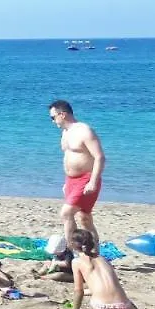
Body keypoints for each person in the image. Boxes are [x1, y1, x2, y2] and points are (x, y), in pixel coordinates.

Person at [49, 100, 105, 245]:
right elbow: (70, 157)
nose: (52, 121)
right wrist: (67, 183)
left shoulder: (84, 131)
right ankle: (94, 250)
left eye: (53, 117)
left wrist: (93, 181)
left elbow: (99, 157)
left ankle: (71, 250)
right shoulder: (65, 133)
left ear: (63, 114)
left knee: (66, 213)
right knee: (84, 218)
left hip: (86, 179)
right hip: (71, 180)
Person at [69, 229, 137, 309]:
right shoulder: (103, 259)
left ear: (73, 245)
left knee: (103, 305)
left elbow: (79, 291)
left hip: (101, 306)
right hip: (122, 305)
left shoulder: (76, 262)